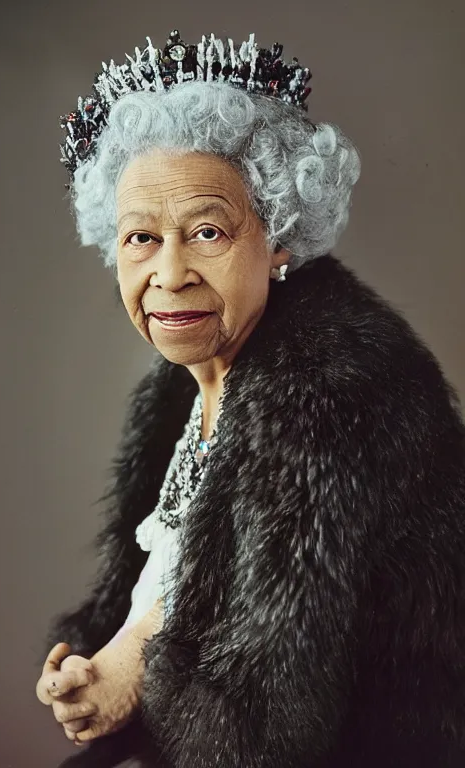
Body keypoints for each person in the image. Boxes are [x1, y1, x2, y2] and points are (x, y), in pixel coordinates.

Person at [36, 29, 465, 768]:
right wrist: (87, 663)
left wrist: (132, 676)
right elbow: (156, 599)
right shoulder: (182, 388)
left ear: (279, 239)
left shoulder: (337, 394)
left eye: (206, 231)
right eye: (141, 238)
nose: (168, 273)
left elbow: (265, 726)